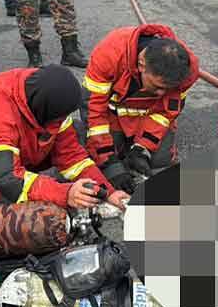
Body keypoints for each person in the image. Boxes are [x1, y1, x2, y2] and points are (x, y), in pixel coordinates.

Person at [0, 65, 130, 211]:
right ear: (43, 110)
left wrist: (108, 192)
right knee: (33, 222)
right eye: (56, 119)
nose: (59, 123)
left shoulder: (37, 89)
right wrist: (65, 194)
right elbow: (6, 179)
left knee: (74, 133)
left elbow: (72, 158)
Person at [80, 25, 199, 193]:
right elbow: (94, 110)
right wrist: (108, 161)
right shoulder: (110, 54)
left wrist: (142, 149)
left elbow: (165, 114)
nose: (161, 93)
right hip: (111, 117)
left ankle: (134, 151)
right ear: (141, 64)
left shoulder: (187, 70)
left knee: (159, 161)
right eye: (158, 86)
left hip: (148, 117)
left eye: (167, 89)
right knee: (102, 163)